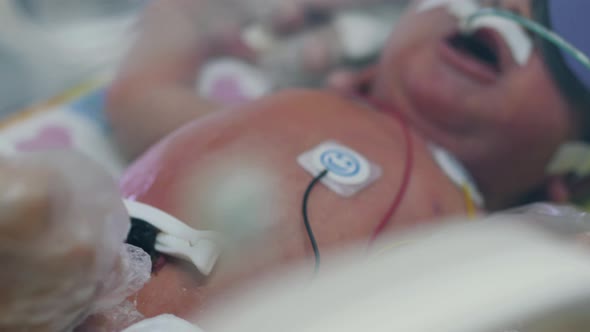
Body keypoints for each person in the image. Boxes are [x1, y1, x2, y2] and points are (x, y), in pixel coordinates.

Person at [2, 0, 590, 330]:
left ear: (567, 175)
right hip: (83, 277)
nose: (507, 10)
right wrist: (179, 18)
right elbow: (141, 98)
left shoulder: (503, 234)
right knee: (30, 213)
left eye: (550, 29)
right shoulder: (275, 106)